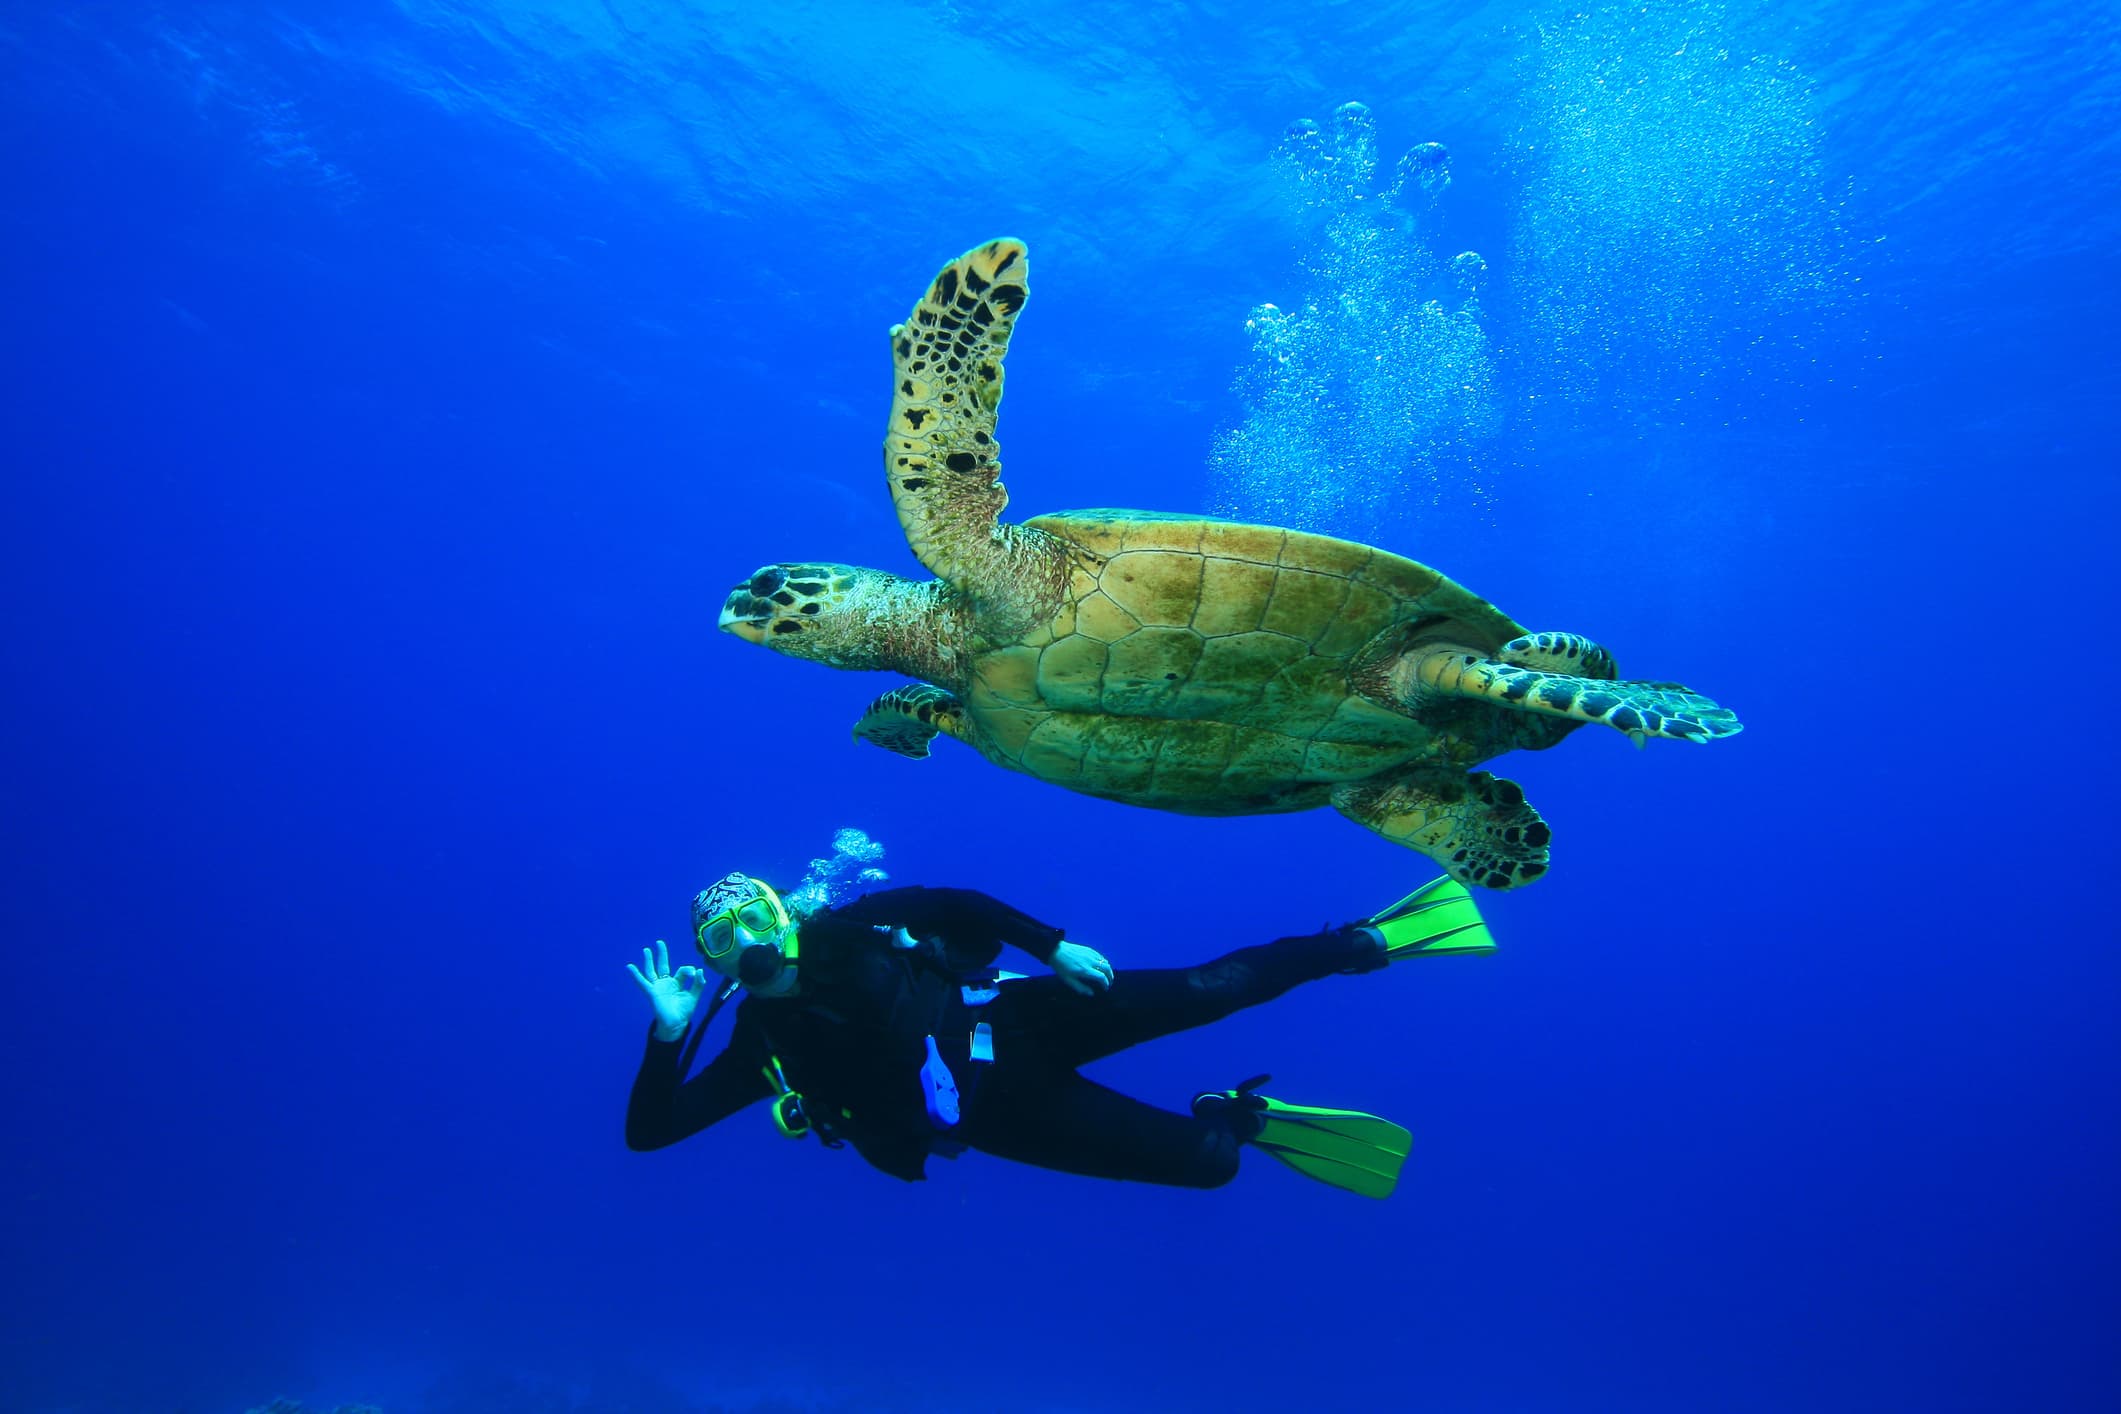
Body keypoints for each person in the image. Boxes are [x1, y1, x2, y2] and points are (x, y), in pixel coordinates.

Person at [624, 872, 1495, 1198]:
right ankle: (1237, 1115)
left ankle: (1360, 942)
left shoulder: (853, 927)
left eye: (752, 917)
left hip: (1017, 1016)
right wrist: (667, 1039)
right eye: (718, 939)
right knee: (1209, 1164)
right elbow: (650, 1135)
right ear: (711, 963)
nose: (743, 941)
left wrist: (1052, 944)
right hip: (999, 1115)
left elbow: (958, 905)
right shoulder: (756, 1050)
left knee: (1213, 987)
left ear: (783, 911)